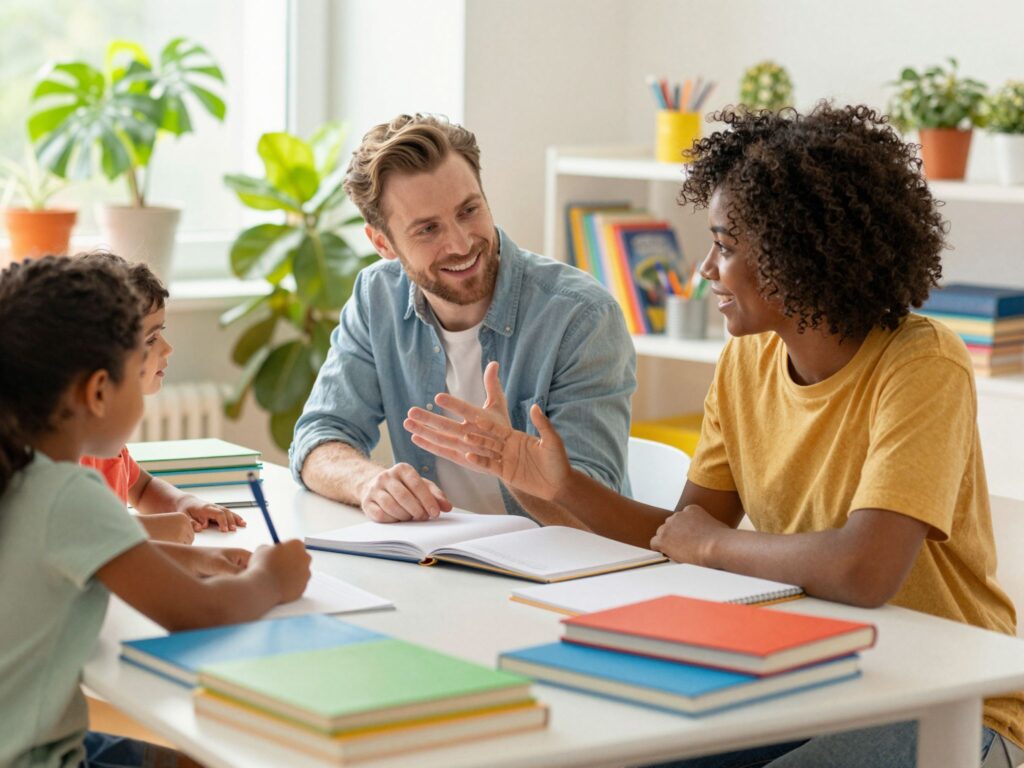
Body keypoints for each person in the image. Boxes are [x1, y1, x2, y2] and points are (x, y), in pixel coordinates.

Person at [403, 103, 1024, 767]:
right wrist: (561, 487)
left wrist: (715, 545)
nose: (705, 268)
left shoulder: (921, 362)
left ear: (797, 253)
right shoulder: (746, 360)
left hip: (956, 709)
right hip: (816, 674)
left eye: (724, 246)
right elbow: (681, 536)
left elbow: (863, 570)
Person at [0, 256, 311, 768]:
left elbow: (92, 559)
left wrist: (197, 559)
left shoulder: (18, 475)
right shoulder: (66, 493)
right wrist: (273, 578)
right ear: (98, 391)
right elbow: (203, 615)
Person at [290, 113, 635, 525]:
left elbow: (597, 515)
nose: (460, 243)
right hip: (440, 555)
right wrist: (368, 483)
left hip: (561, 559)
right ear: (382, 243)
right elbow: (319, 436)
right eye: (428, 229)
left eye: (469, 210)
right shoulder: (376, 297)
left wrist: (515, 469)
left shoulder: (581, 317)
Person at [78, 252, 246, 545]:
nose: (167, 349)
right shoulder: (70, 447)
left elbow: (142, 488)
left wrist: (182, 502)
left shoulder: (106, 435)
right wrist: (150, 530)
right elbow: (76, 534)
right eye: (151, 339)